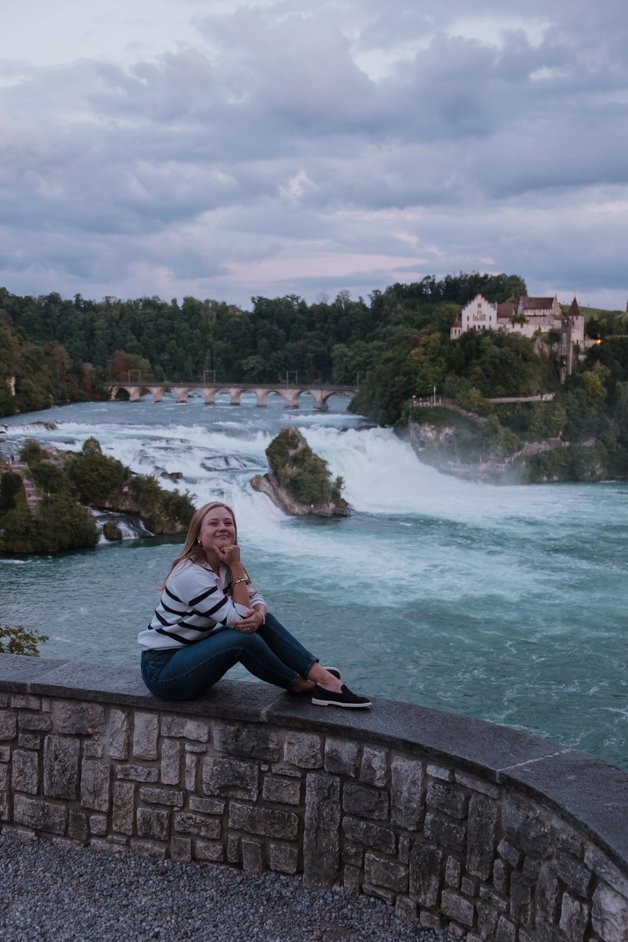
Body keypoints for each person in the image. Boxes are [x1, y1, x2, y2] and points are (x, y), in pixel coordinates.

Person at [138, 501, 372, 709]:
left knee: (263, 621)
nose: (223, 527)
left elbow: (255, 597)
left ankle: (318, 675)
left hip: (189, 656)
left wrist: (259, 613)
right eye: (213, 523)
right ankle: (302, 683)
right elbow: (240, 620)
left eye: (228, 523)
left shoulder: (224, 564)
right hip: (163, 672)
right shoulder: (191, 574)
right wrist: (236, 567)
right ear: (199, 534)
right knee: (242, 638)